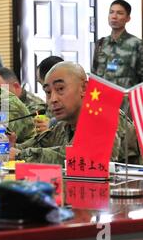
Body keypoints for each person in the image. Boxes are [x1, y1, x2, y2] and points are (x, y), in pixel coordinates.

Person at [10, 62, 141, 165]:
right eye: (48, 92)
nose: (53, 99)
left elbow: (81, 158)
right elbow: (35, 144)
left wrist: (19, 155)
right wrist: (9, 146)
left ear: (84, 88)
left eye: (60, 89)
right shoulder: (64, 125)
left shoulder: (105, 116)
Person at [92, 0, 143, 89]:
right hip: (102, 98)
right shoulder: (101, 43)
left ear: (128, 18)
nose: (114, 16)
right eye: (111, 12)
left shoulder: (137, 44)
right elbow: (94, 75)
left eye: (119, 13)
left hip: (125, 100)